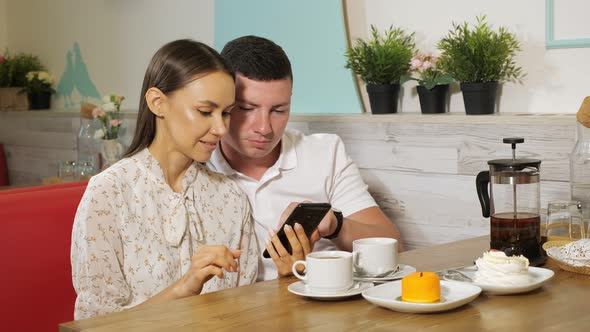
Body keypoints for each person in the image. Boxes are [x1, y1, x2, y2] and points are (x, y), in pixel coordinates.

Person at [71, 39, 258, 319]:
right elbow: (94, 324)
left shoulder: (231, 198)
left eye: (227, 113)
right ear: (158, 103)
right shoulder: (109, 193)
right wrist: (183, 289)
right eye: (205, 112)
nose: (220, 128)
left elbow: (246, 309)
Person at [208, 35, 401, 281]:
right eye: (247, 109)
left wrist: (335, 227)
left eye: (279, 110)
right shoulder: (198, 164)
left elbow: (392, 245)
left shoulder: (325, 153)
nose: (264, 128)